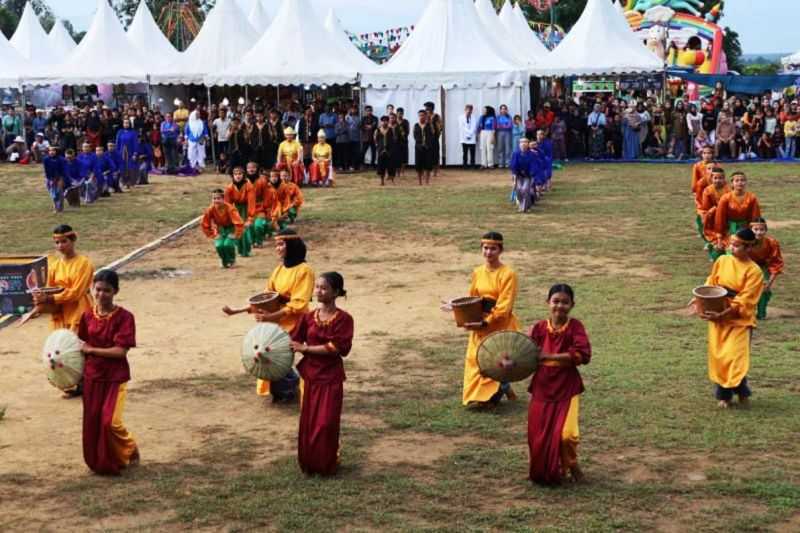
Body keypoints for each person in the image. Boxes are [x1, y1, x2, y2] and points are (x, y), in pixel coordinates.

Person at [225, 230, 314, 402]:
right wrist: (237, 311)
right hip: (277, 322)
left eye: (281, 244)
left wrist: (271, 317)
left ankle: (289, 386)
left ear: (292, 246)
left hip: (297, 323)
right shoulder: (278, 270)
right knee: (261, 354)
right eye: (277, 245)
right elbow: (265, 298)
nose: (278, 249)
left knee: (271, 353)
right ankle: (285, 388)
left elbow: (299, 303)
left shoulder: (305, 271)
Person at [290, 272, 355, 476]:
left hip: (331, 378)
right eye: (317, 287)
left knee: (326, 422)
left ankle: (326, 464)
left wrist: (306, 349)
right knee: (309, 422)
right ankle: (309, 464)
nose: (318, 291)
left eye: (323, 288)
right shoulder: (308, 317)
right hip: (310, 377)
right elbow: (292, 341)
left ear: (336, 292)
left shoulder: (344, 319)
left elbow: (336, 347)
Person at [527, 284, 591, 485]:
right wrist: (508, 363)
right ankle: (544, 470)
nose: (560, 306)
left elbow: (583, 355)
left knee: (567, 435)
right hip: (542, 387)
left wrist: (549, 356)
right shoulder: (538, 328)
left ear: (572, 305)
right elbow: (523, 352)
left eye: (565, 302)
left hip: (567, 387)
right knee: (537, 435)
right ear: (548, 303)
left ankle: (572, 464)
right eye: (556, 301)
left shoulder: (575, 327)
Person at [79, 269, 139, 475]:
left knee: (109, 421)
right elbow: (80, 344)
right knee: (93, 421)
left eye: (107, 290)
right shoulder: (87, 316)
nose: (101, 294)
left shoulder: (125, 318)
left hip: (115, 376)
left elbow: (121, 351)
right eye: (98, 289)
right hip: (92, 376)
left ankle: (130, 448)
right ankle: (99, 461)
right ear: (92, 289)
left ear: (116, 292)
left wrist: (92, 350)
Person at [696, 228, 763, 409]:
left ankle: (738, 392)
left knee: (735, 357)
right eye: (731, 244)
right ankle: (728, 395)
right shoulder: (722, 260)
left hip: (739, 320)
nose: (731, 248)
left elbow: (746, 299)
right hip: (717, 315)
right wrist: (701, 299)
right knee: (720, 357)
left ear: (749, 248)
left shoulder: (754, 272)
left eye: (737, 245)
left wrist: (726, 312)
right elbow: (711, 282)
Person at [460, 232, 519, 408]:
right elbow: (473, 297)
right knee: (475, 359)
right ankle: (492, 391)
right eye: (485, 248)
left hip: (499, 325)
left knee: (495, 361)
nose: (488, 252)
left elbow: (504, 305)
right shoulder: (477, 272)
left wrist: (487, 321)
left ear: (500, 250)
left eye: (493, 248)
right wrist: (464, 313)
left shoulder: (508, 274)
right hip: (480, 323)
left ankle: (494, 393)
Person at [748, 218, 784, 320]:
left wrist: (769, 282)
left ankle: (761, 314)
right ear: (751, 230)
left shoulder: (772, 243)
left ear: (765, 230)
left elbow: (776, 263)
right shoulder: (745, 242)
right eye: (756, 229)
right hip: (746, 268)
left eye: (762, 229)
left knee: (763, 290)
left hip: (762, 268)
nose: (759, 232)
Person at [202, 188, 244, 268]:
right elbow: (205, 224)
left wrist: (235, 234)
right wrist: (212, 235)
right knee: (219, 245)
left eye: (218, 198)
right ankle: (224, 261)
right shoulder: (210, 209)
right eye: (214, 198)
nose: (216, 201)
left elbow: (239, 222)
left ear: (223, 199)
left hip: (231, 228)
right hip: (219, 229)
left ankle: (232, 260)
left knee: (228, 244)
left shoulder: (230, 208)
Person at [714, 172, 761, 241]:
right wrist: (720, 233)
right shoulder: (725, 198)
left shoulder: (751, 197)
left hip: (746, 228)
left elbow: (755, 216)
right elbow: (720, 217)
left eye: (742, 180)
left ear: (746, 182)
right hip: (729, 228)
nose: (740, 183)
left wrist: (755, 230)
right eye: (737, 180)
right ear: (732, 183)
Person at [699, 167, 730, 261]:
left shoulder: (728, 189)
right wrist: (716, 209)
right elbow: (706, 208)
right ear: (711, 179)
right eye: (715, 178)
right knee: (715, 237)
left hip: (726, 217)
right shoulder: (708, 191)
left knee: (726, 237)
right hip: (712, 217)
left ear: (724, 179)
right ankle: (714, 254)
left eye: (720, 178)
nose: (718, 180)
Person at [224, 167, 255, 258]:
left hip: (246, 208)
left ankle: (246, 250)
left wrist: (250, 217)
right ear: (233, 176)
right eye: (236, 174)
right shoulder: (229, 188)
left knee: (245, 230)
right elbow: (227, 203)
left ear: (243, 175)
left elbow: (251, 202)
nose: (238, 176)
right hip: (235, 209)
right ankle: (240, 249)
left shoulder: (249, 186)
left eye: (240, 174)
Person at [691, 146, 716, 237]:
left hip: (713, 193)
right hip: (701, 193)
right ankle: (702, 230)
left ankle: (710, 231)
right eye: (704, 153)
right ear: (701, 154)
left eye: (709, 153)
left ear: (712, 154)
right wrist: (695, 192)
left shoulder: (716, 166)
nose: (707, 155)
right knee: (701, 213)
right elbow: (695, 180)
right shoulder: (697, 166)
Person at [510, 137, 537, 213]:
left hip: (528, 175)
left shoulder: (532, 154)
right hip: (518, 175)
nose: (523, 144)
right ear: (519, 144)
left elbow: (533, 165)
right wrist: (514, 177)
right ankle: (523, 204)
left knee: (525, 189)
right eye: (521, 142)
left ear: (528, 144)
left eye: (525, 142)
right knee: (518, 190)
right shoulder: (515, 153)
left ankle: (524, 207)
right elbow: (513, 165)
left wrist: (531, 175)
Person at [115, 119, 139, 187]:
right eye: (125, 123)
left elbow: (135, 143)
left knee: (131, 167)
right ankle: (123, 181)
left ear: (129, 124)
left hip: (130, 152)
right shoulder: (120, 132)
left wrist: (135, 153)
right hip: (121, 152)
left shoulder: (133, 132)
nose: (126, 124)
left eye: (127, 123)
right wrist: (117, 153)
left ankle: (131, 182)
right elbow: (117, 143)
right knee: (122, 167)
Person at [413, 109, 435, 186]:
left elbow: (432, 136)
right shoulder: (416, 125)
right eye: (420, 115)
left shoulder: (429, 125)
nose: (421, 117)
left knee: (428, 165)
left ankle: (427, 182)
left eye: (423, 115)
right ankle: (420, 182)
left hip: (428, 148)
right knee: (419, 165)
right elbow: (415, 136)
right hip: (418, 148)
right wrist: (420, 144)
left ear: (426, 116)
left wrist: (428, 145)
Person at [375, 116, 397, 186]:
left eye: (386, 121)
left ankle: (392, 180)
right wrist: (379, 147)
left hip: (389, 151)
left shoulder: (391, 130)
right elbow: (375, 139)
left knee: (391, 166)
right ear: (381, 122)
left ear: (388, 121)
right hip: (381, 150)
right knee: (381, 166)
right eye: (383, 121)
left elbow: (394, 139)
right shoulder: (377, 130)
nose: (385, 122)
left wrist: (392, 149)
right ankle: (382, 181)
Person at [43, 146, 66, 213]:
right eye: (50, 150)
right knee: (53, 193)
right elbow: (46, 170)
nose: (51, 152)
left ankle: (60, 208)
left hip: (59, 178)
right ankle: (55, 207)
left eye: (53, 150)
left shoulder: (61, 159)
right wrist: (50, 179)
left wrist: (61, 179)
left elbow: (63, 170)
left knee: (59, 193)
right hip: (50, 178)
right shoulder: (46, 159)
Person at [425, 102, 443, 176]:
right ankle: (428, 170)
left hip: (434, 139)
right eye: (425, 108)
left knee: (435, 155)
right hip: (426, 139)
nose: (426, 109)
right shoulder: (425, 116)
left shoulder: (436, 116)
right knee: (427, 155)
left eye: (427, 108)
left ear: (431, 108)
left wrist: (437, 133)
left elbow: (441, 127)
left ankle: (436, 172)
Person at [459, 105, 478, 169]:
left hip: (472, 137)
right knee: (465, 152)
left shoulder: (474, 117)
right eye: (467, 109)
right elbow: (462, 127)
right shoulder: (461, 117)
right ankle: (465, 165)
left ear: (472, 110)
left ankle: (472, 165)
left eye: (470, 110)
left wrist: (470, 134)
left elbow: (474, 127)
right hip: (464, 137)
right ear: (465, 110)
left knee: (472, 152)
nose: (469, 111)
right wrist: (468, 134)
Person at [397, 108, 410, 175]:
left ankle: (402, 171)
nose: (400, 115)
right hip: (396, 142)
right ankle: (398, 172)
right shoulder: (395, 121)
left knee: (404, 157)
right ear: (397, 113)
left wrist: (403, 132)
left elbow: (407, 132)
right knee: (397, 157)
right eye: (399, 113)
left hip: (404, 141)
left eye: (401, 113)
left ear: (403, 114)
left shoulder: (406, 122)